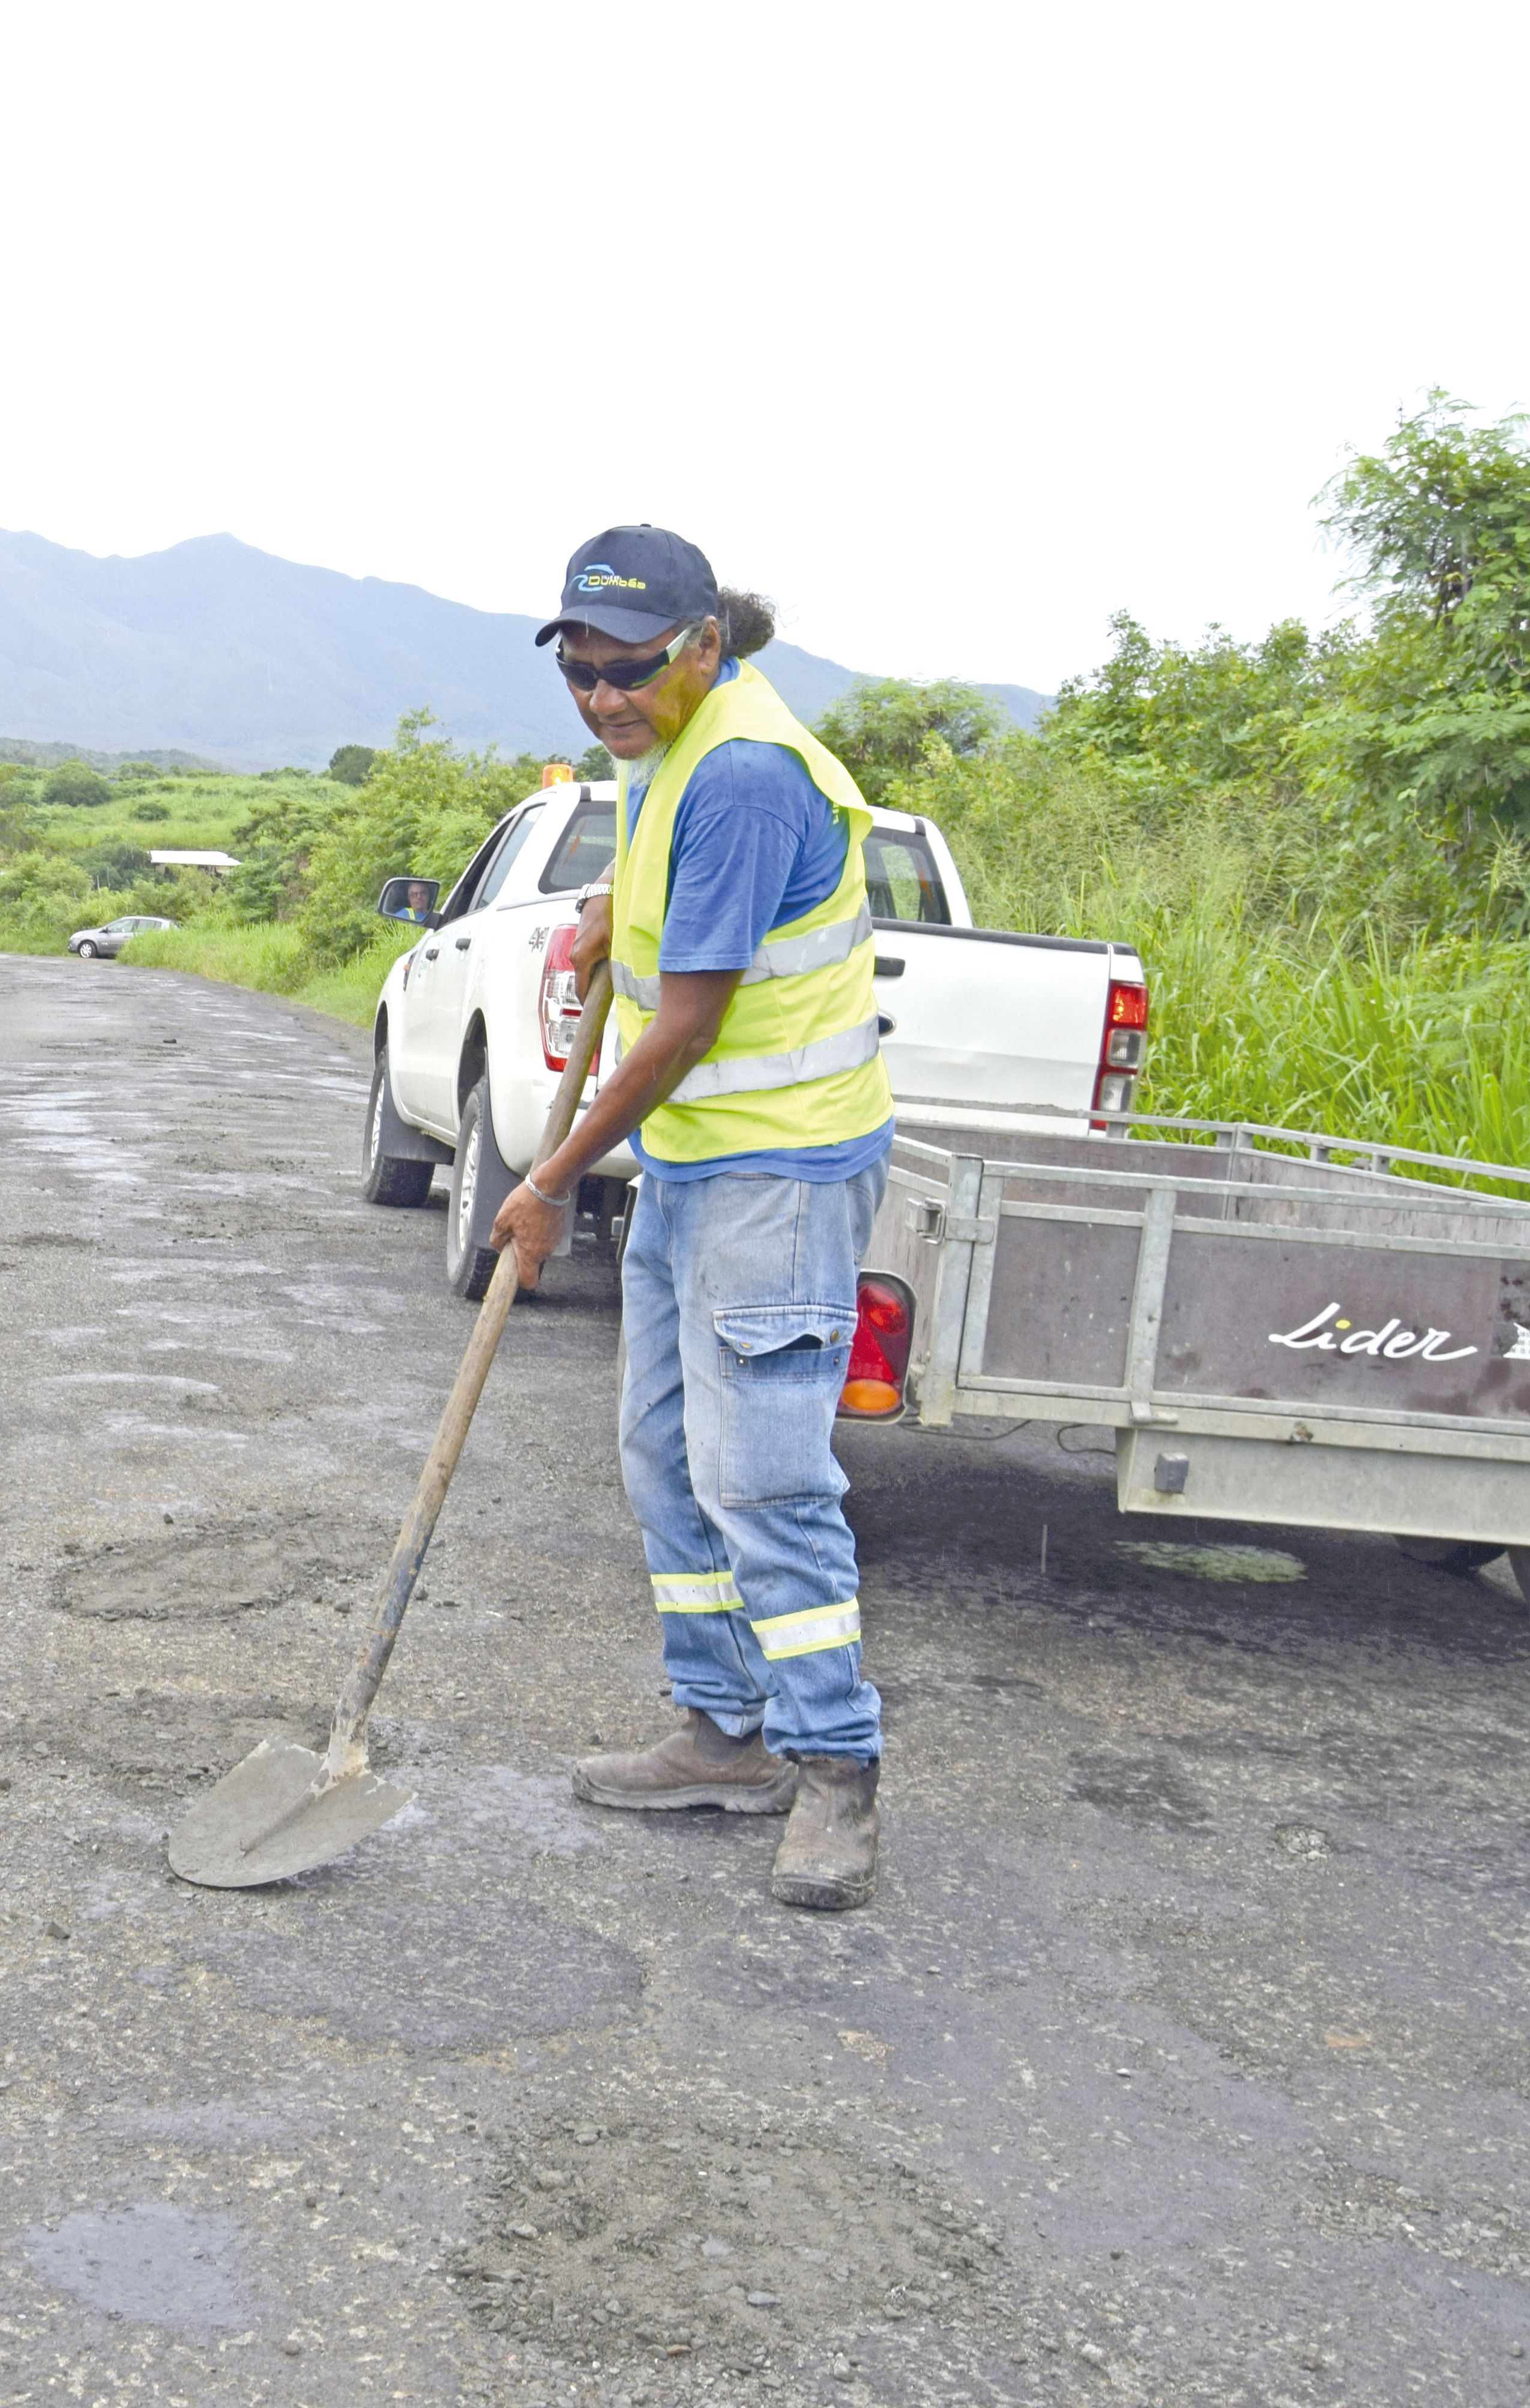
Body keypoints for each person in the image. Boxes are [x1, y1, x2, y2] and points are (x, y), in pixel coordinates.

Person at [488, 526, 890, 1912]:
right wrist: (610, 905)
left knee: (763, 1477)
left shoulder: (746, 773)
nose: (604, 697)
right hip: (701, 1165)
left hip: (780, 1173)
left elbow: (692, 1022)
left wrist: (546, 1181)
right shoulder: (671, 747)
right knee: (663, 1455)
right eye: (581, 672)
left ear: (705, 643)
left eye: (630, 670)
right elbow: (677, 920)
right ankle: (722, 1733)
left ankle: (834, 1767)